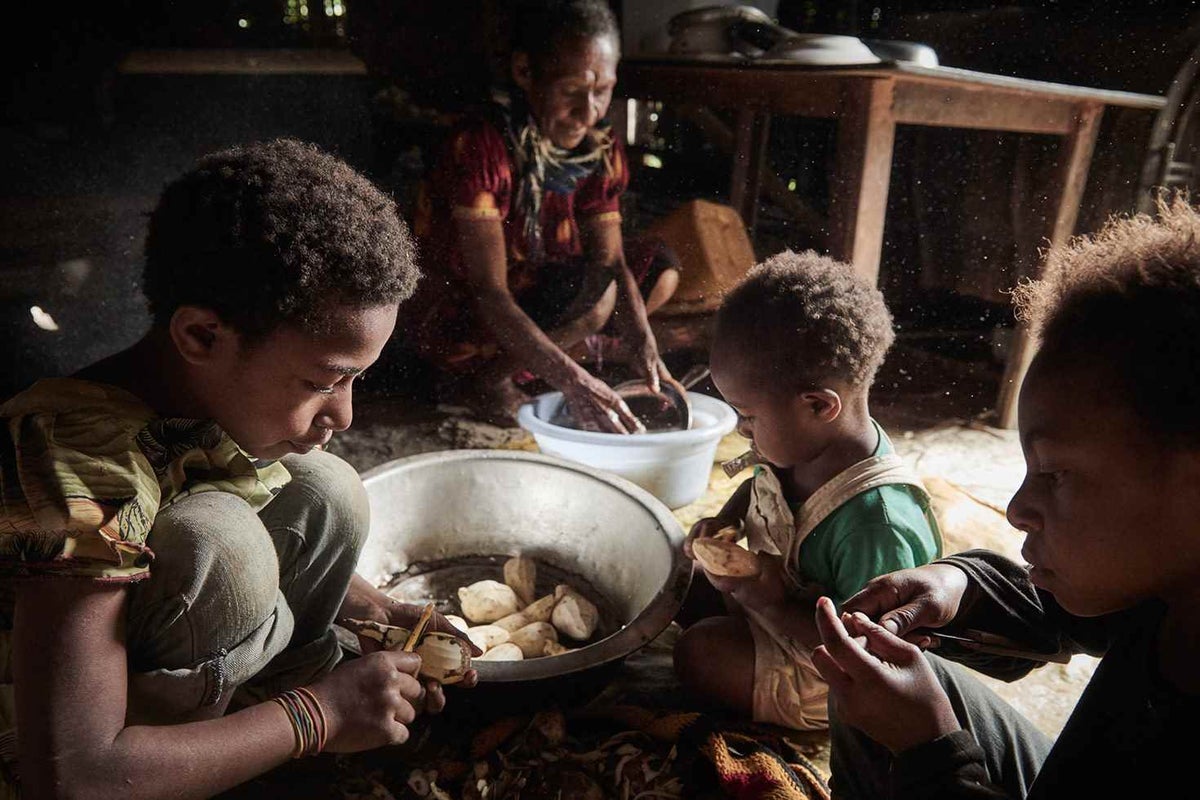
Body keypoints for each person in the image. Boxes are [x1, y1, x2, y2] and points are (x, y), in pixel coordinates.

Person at [0, 138, 479, 799]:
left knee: (325, 490)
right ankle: (228, 757)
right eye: (322, 381)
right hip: (59, 758)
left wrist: (381, 611)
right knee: (222, 545)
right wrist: (323, 715)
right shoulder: (80, 475)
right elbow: (71, 774)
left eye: (356, 381)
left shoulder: (190, 398)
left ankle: (267, 726)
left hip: (150, 689)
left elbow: (270, 489)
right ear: (201, 336)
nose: (343, 416)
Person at [810, 196, 1200, 799]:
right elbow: (1072, 615)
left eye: (1056, 474)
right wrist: (960, 588)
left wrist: (932, 753)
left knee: (906, 728)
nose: (1016, 509)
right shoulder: (1172, 587)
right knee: (871, 694)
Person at [674, 250, 943, 732]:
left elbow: (867, 651)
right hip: (768, 608)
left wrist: (772, 605)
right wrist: (727, 522)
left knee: (697, 654)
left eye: (749, 416)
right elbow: (760, 483)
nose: (741, 430)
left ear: (818, 405)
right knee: (677, 573)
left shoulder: (876, 521)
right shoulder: (794, 443)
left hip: (826, 669)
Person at [403, 0, 680, 431]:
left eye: (602, 90)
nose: (589, 112)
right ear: (524, 72)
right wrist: (574, 384)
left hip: (538, 284)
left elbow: (611, 261)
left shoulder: (597, 146)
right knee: (596, 300)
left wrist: (645, 347)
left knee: (657, 270)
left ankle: (553, 357)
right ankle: (487, 378)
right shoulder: (481, 146)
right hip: (464, 308)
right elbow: (488, 290)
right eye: (571, 91)